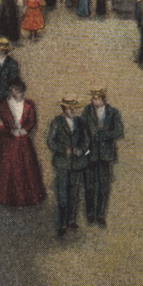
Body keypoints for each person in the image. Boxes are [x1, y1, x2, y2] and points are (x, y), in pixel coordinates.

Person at [0, 78, 47, 207]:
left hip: (23, 142)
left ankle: (29, 199)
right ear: (10, 91)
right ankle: (5, 197)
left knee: (26, 169)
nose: (19, 94)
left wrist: (24, 130)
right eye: (16, 91)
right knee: (7, 169)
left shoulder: (28, 104)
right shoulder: (1, 104)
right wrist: (8, 131)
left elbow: (32, 121)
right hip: (7, 142)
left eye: (21, 91)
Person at [48, 97, 89, 237]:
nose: (74, 111)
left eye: (75, 108)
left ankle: (71, 220)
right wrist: (64, 149)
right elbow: (51, 143)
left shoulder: (80, 122)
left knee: (74, 194)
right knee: (62, 195)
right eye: (71, 108)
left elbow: (86, 141)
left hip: (76, 164)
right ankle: (61, 223)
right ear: (64, 109)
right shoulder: (57, 122)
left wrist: (80, 150)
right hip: (62, 164)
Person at [83, 87, 124, 226]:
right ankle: (90, 214)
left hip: (105, 154)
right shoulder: (87, 111)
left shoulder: (112, 112)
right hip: (91, 153)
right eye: (93, 99)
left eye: (98, 99)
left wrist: (105, 134)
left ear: (103, 99)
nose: (95, 101)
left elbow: (118, 130)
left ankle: (100, 214)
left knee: (103, 185)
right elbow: (82, 129)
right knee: (89, 185)